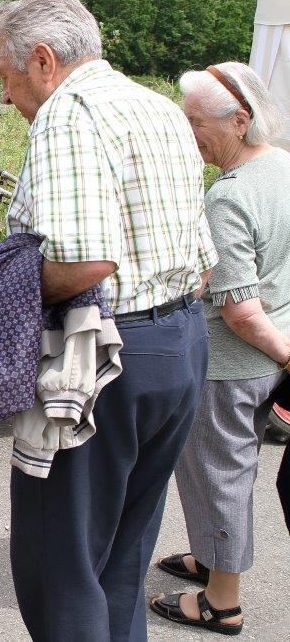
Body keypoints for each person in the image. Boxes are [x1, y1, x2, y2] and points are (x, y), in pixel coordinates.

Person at [0, 0, 216, 641]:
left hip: (104, 356)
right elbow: (205, 261)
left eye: (4, 74)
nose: (5, 96)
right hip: (178, 345)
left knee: (61, 563)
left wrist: (1, 296)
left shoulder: (68, 111)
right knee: (122, 556)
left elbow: (85, 263)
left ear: (43, 60)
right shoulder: (159, 106)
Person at [150, 62, 290, 636]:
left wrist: (285, 354)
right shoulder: (284, 167)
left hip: (235, 363)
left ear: (239, 120)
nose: (189, 133)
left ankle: (221, 601)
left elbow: (240, 310)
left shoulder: (227, 198)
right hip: (273, 354)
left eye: (197, 122)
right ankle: (210, 559)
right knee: (235, 469)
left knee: (219, 475)